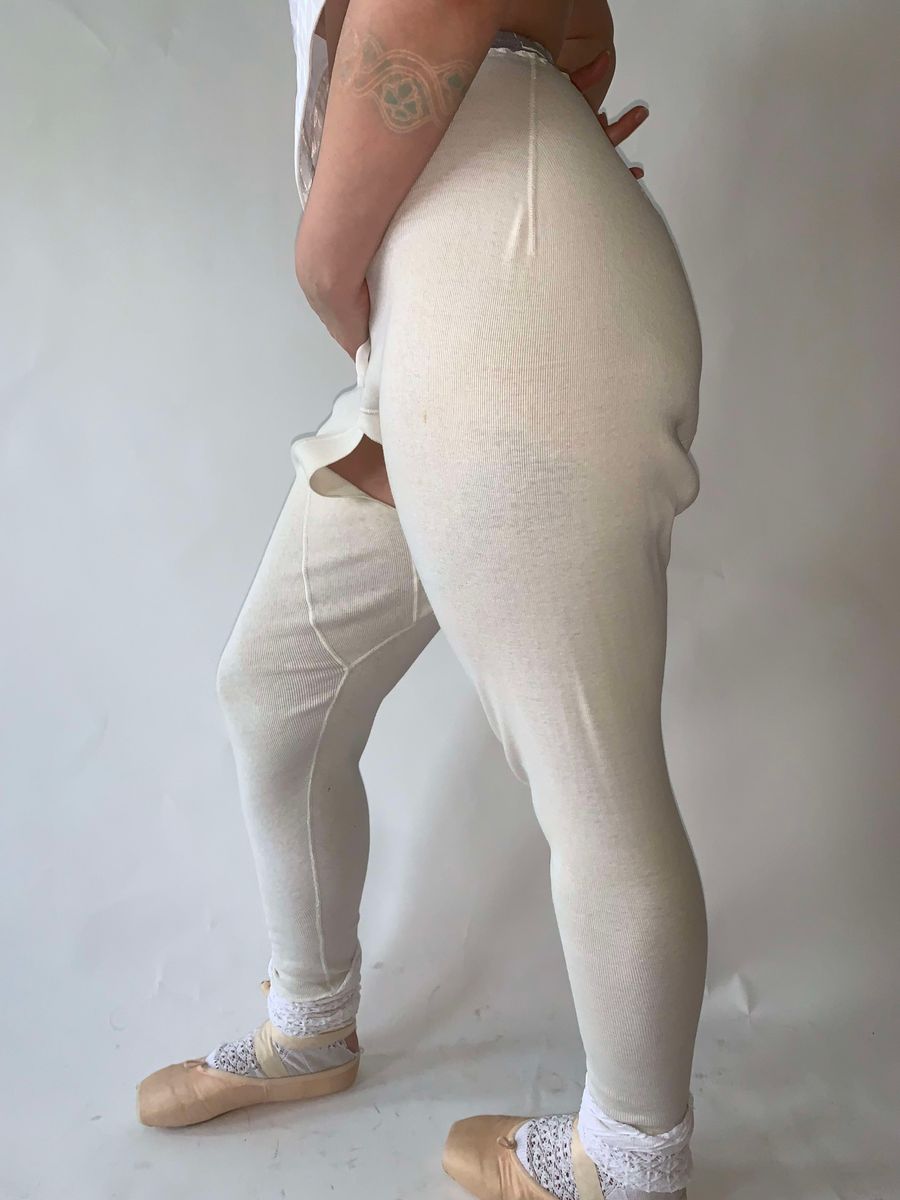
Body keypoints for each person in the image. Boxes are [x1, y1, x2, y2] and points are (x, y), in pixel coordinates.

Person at [137, 3, 707, 1198]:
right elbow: (582, 31)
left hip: (504, 308)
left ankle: (630, 1155)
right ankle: (311, 1023)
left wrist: (322, 258)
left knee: (586, 769)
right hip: (449, 300)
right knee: (280, 687)